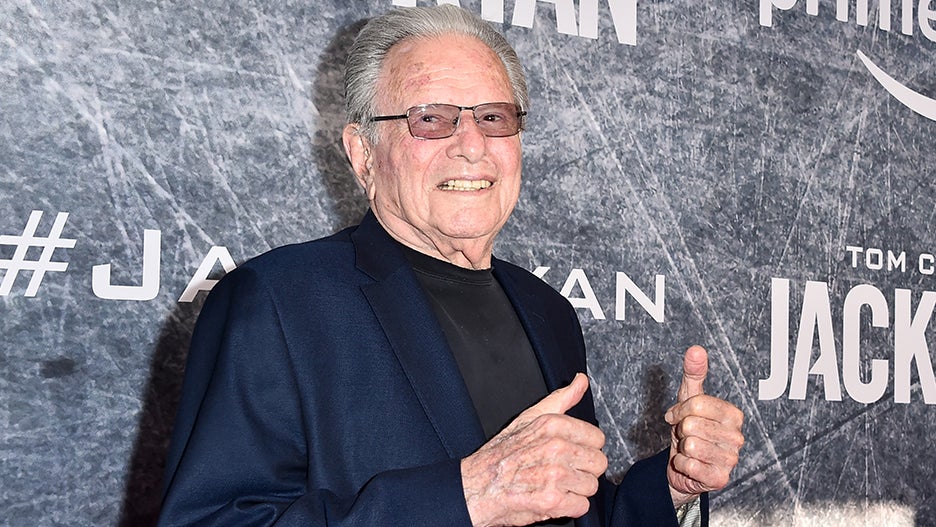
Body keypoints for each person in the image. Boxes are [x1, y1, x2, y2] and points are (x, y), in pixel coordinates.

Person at [158, 5, 744, 526]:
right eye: (431, 118)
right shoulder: (275, 302)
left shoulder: (548, 313)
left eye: (493, 118)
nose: (471, 144)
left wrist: (671, 487)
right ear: (363, 154)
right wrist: (468, 496)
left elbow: (570, 513)